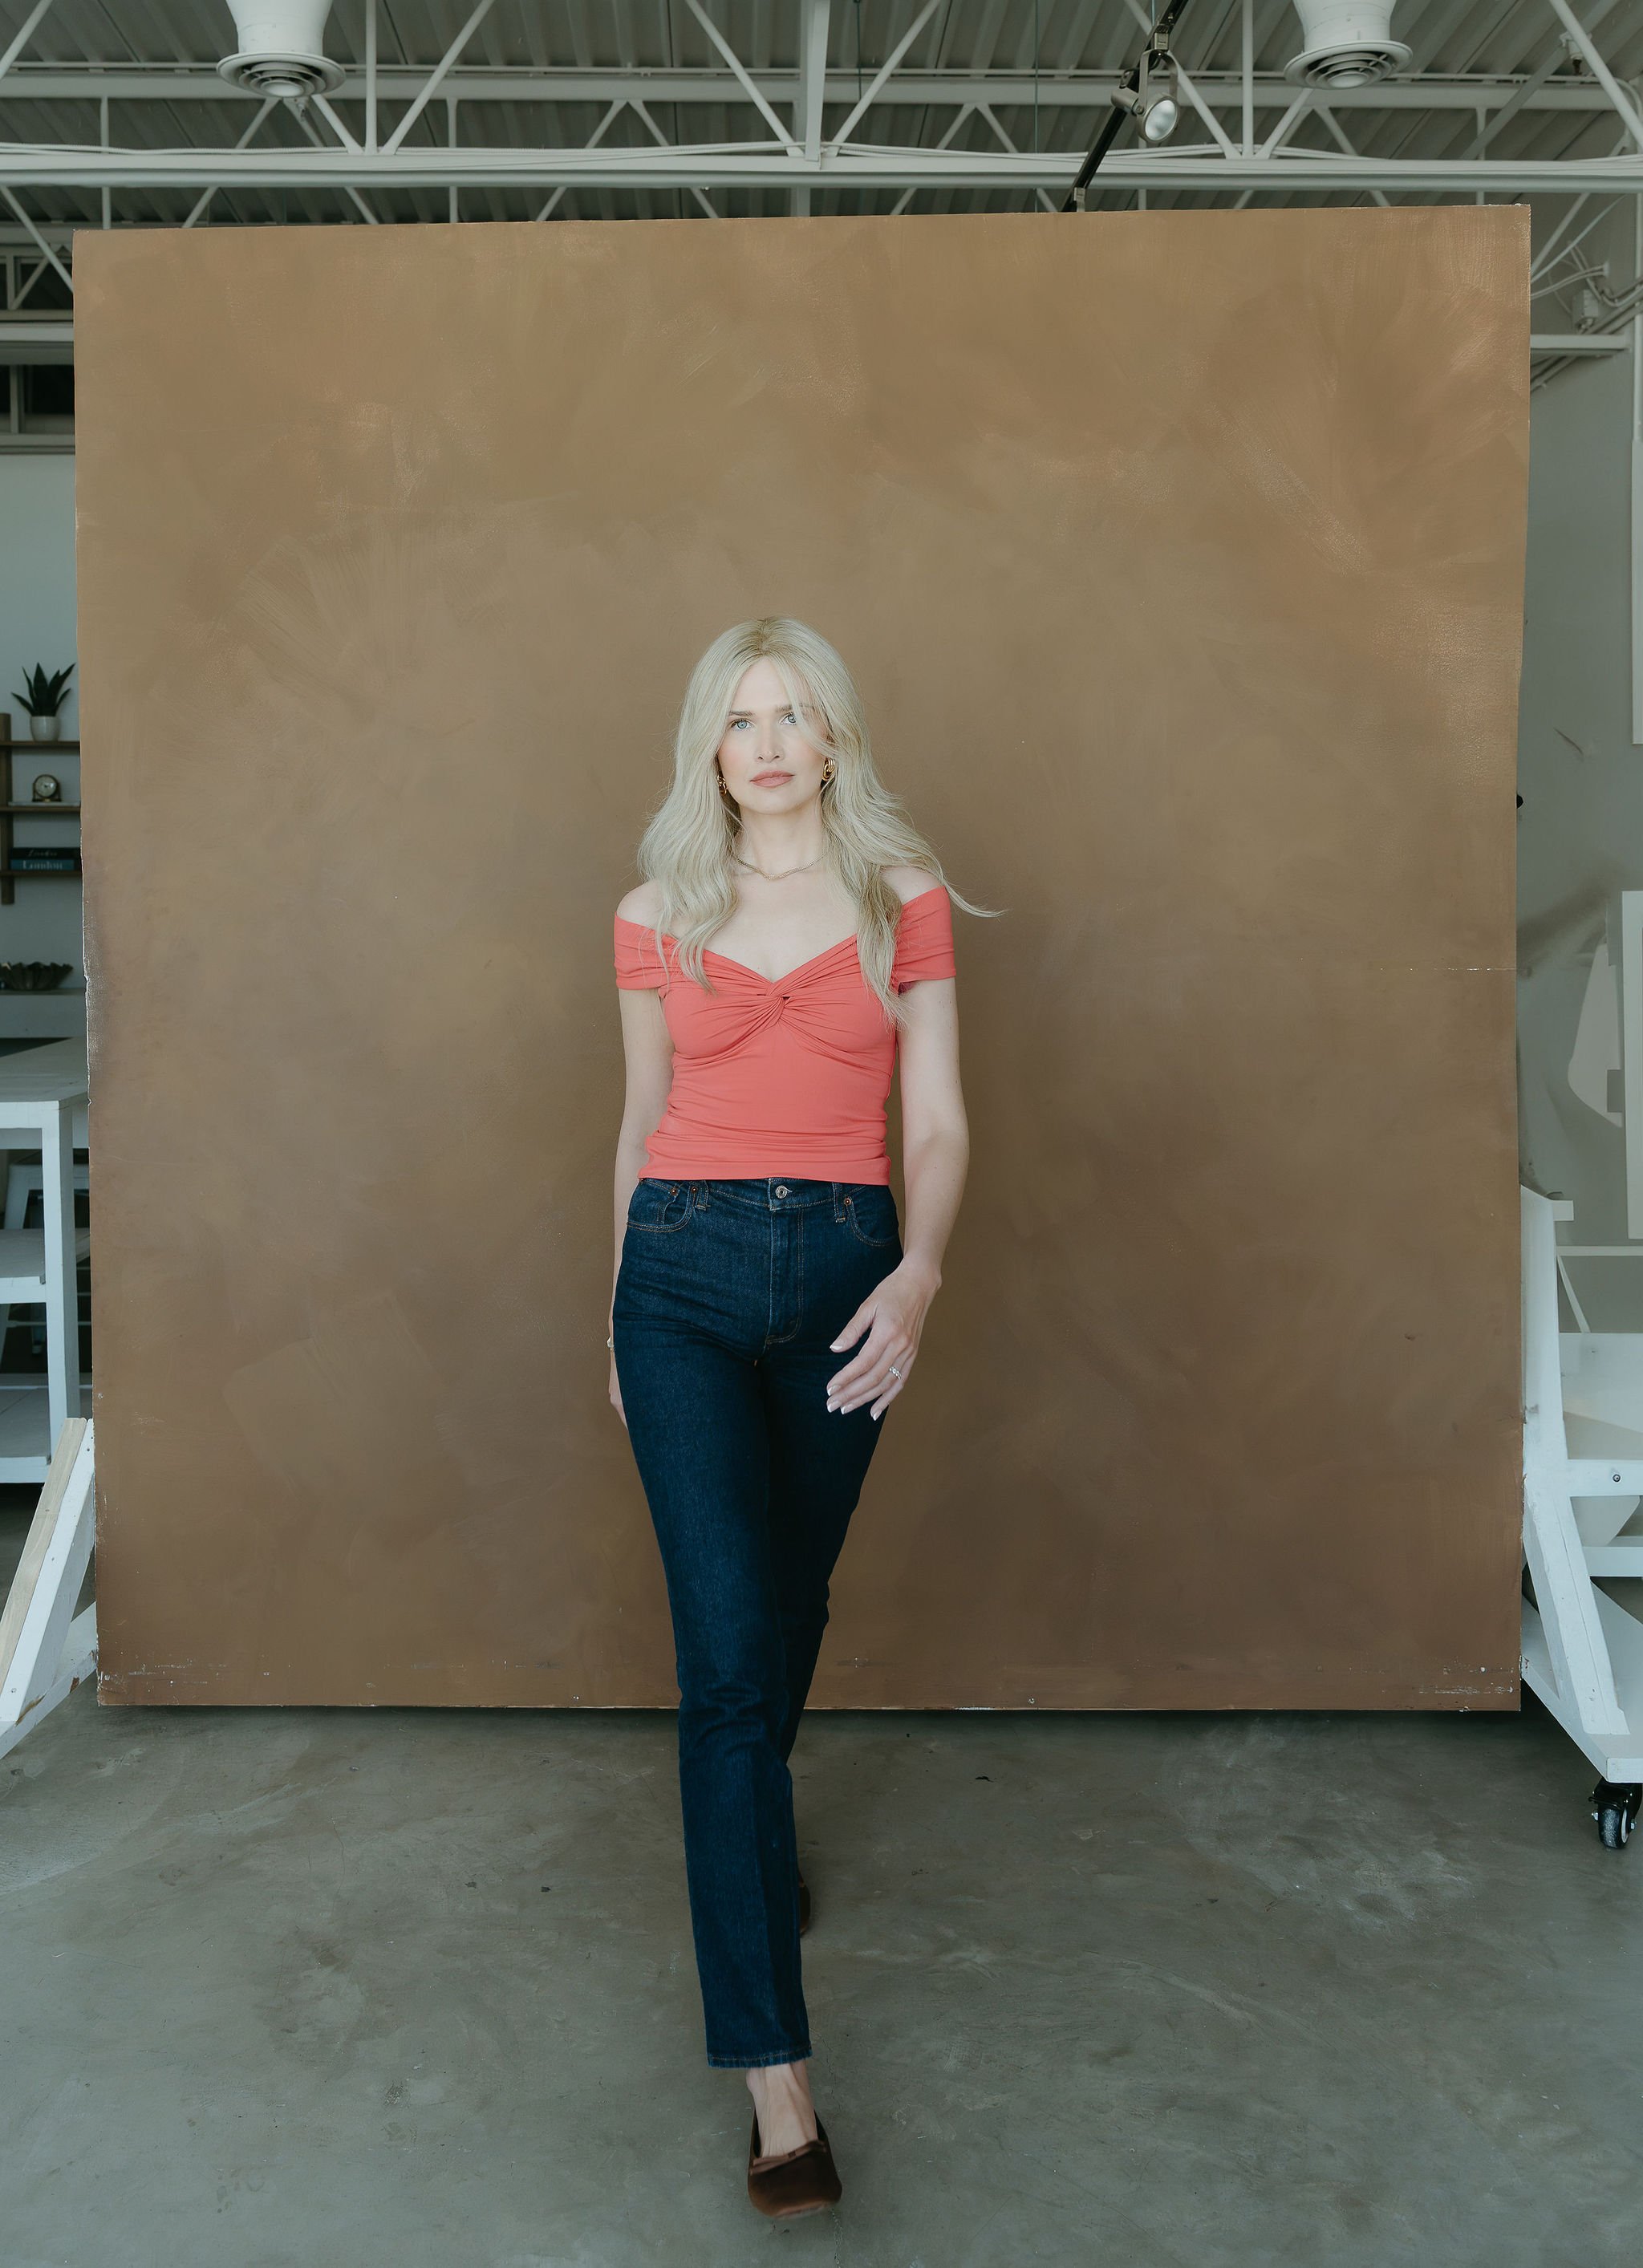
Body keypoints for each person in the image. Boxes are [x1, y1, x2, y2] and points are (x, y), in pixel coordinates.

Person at [606, 617, 983, 2219]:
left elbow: (942, 1119)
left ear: (833, 742)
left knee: (789, 1602)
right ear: (709, 745)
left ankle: (756, 1829)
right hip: (679, 1278)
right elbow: (634, 1122)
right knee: (723, 1665)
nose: (766, 741)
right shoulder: (651, 914)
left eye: (796, 715)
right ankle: (779, 2088)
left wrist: (917, 1278)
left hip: (842, 1267)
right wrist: (607, 1308)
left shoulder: (903, 900)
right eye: (741, 716)